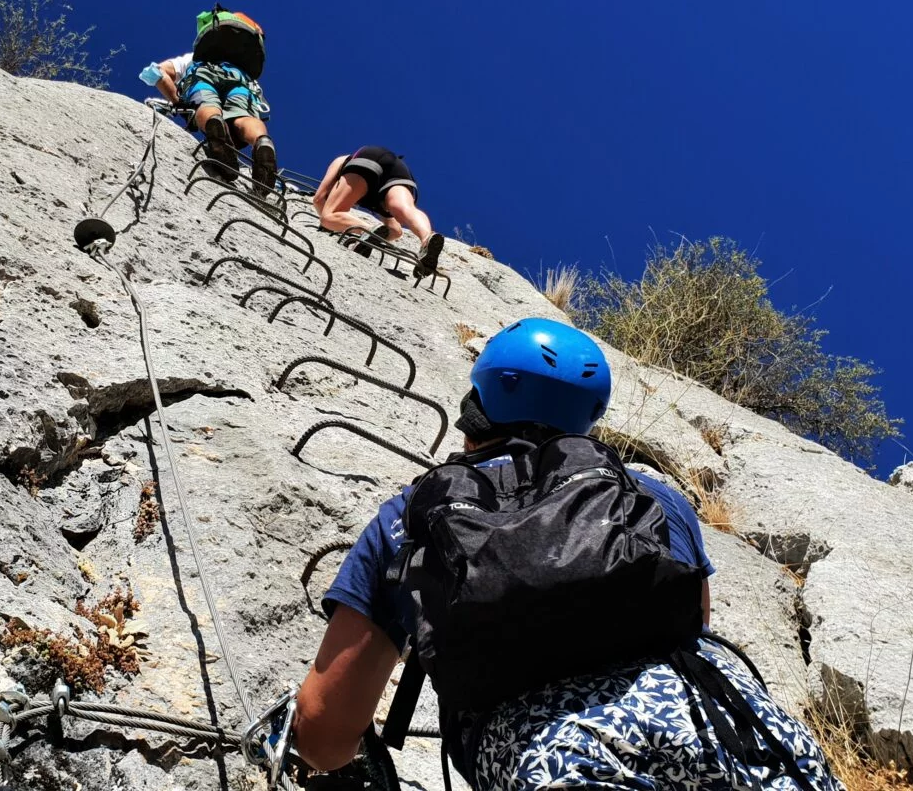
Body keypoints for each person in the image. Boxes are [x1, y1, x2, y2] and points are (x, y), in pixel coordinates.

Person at [293, 318, 842, 791]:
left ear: (477, 407)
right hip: (725, 726)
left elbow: (323, 732)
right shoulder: (655, 497)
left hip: (553, 756)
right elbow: (691, 621)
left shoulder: (409, 515)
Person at [142, 7, 277, 193]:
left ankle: (216, 132)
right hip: (240, 79)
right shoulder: (241, 54)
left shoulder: (192, 59)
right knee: (243, 117)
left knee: (207, 105)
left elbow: (158, 71)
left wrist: (177, 101)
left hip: (203, 73)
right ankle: (262, 142)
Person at [311, 147, 445, 275]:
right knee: (406, 209)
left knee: (329, 216)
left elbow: (319, 198)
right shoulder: (377, 202)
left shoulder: (340, 160)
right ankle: (427, 238)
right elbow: (395, 231)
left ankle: (368, 231)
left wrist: (330, 225)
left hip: (366, 158)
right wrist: (377, 233)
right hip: (397, 167)